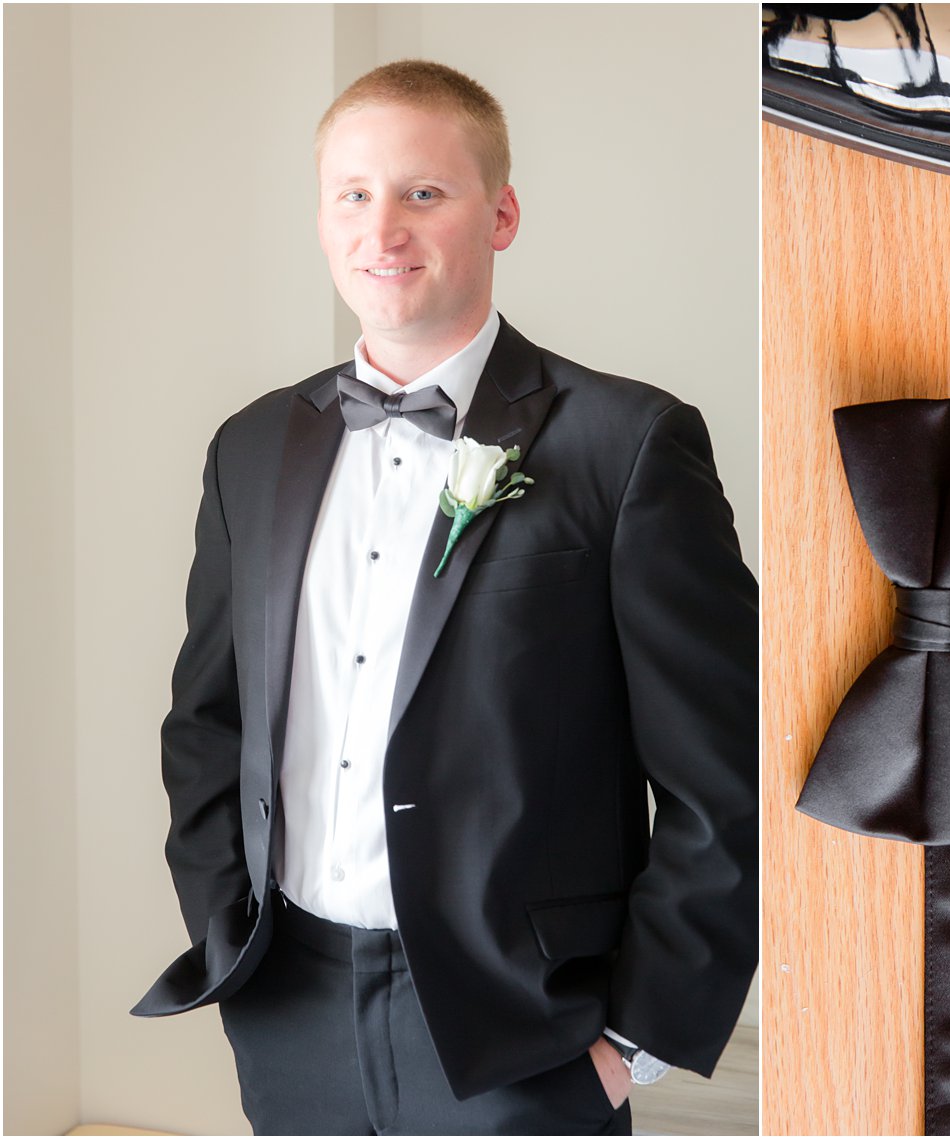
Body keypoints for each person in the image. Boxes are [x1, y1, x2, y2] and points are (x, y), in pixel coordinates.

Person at [131, 59, 758, 1136]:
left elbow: (721, 769)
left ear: (500, 212)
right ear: (322, 218)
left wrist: (629, 1044)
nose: (385, 229)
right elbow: (206, 720)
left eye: (424, 192)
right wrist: (230, 931)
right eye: (353, 194)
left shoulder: (629, 444)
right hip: (291, 1006)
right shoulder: (248, 447)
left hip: (524, 1032)